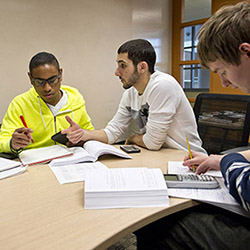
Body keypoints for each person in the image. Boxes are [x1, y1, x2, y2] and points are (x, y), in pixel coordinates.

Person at [134, 2, 250, 249]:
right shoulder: (133, 92)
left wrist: (229, 162)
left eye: (223, 71)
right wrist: (220, 160)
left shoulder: (161, 86)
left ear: (246, 52)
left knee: (154, 219)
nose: (224, 82)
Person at [62, 39, 206, 154]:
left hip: (185, 158)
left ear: (142, 67)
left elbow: (153, 143)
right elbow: (112, 132)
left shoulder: (162, 85)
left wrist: (132, 138)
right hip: (158, 155)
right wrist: (83, 134)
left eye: (122, 65)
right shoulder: (130, 94)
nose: (116, 72)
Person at [0, 52, 94, 155]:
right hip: (35, 163)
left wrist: (81, 136)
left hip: (69, 160)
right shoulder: (19, 104)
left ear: (61, 74)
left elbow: (90, 132)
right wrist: (12, 144)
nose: (47, 88)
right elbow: (2, 140)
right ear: (30, 78)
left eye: (52, 80)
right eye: (40, 82)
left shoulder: (75, 98)